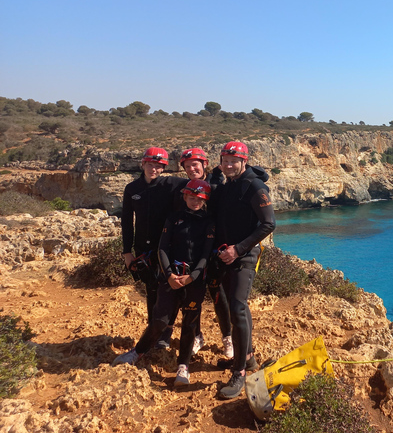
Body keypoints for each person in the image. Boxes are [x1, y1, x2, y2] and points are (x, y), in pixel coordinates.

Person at [113, 179, 215, 387]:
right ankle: (138, 352)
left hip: (194, 281)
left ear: (205, 200)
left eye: (200, 198)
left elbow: (206, 254)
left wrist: (192, 277)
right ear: (185, 197)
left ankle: (183, 366)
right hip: (170, 277)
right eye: (191, 197)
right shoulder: (173, 218)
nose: (195, 201)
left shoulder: (209, 222)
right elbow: (162, 249)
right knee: (160, 320)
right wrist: (169, 275)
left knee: (189, 324)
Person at [214, 141, 276, 399]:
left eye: (233, 161)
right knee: (233, 306)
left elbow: (268, 224)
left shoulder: (255, 186)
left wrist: (238, 250)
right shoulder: (229, 184)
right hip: (226, 254)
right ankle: (247, 357)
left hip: (245, 255)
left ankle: (240, 372)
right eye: (225, 161)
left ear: (244, 161)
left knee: (238, 307)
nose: (229, 165)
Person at [121, 147, 186, 348]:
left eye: (159, 166)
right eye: (150, 165)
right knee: (151, 290)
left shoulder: (173, 185)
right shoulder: (132, 189)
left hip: (167, 248)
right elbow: (126, 221)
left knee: (168, 289)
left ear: (164, 167)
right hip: (143, 250)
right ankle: (153, 329)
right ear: (143, 164)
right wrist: (127, 252)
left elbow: (201, 183)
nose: (154, 169)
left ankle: (166, 331)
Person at [178, 147, 233, 360]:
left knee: (219, 296)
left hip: (216, 250)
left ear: (204, 164)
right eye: (187, 166)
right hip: (192, 251)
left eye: (196, 165)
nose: (192, 169)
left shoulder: (217, 185)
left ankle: (227, 337)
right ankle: (197, 336)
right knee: (192, 297)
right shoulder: (184, 188)